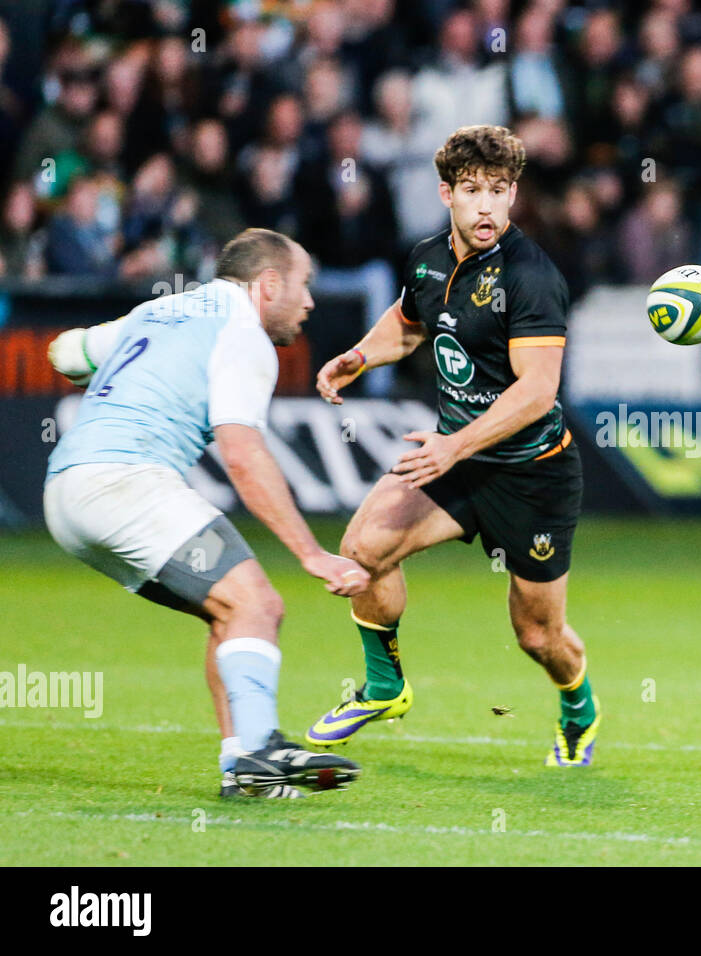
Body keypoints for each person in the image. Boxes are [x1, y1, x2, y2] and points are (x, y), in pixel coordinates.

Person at [305, 125, 600, 767]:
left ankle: (579, 706)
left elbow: (538, 392)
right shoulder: (427, 257)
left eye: (499, 190)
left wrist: (455, 445)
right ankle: (386, 688)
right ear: (447, 193)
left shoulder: (532, 277)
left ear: (514, 195)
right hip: (458, 462)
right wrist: (358, 356)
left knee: (537, 635)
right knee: (362, 549)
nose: (487, 205)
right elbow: (409, 323)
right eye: (473, 191)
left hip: (532, 476)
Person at [43, 227, 371, 798]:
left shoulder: (162, 309)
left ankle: (242, 771)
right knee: (259, 605)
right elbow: (243, 456)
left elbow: (68, 353)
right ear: (268, 285)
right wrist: (310, 552)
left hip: (66, 493)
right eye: (304, 286)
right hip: (123, 481)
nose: (311, 302)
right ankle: (262, 746)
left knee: (229, 613)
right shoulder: (244, 335)